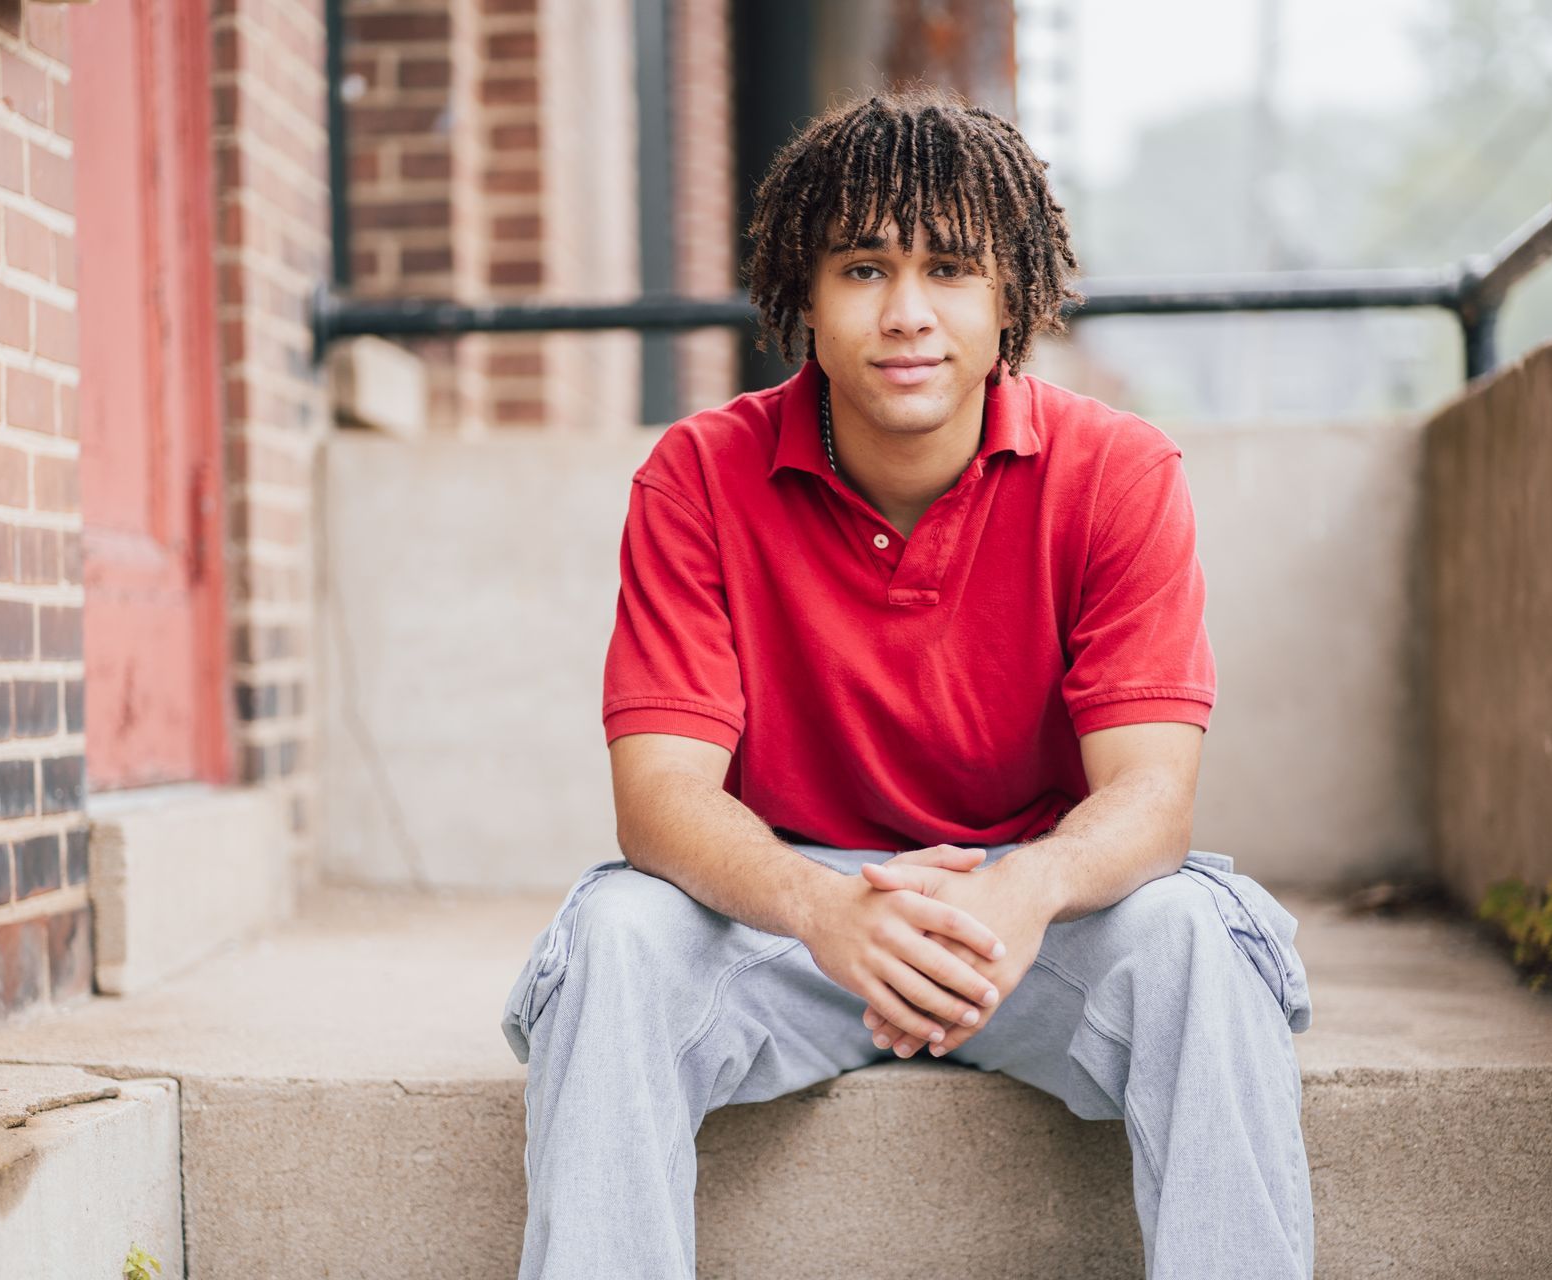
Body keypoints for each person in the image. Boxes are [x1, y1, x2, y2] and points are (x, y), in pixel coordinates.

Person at [500, 85, 1315, 1279]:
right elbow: (659, 798)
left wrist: (1019, 895)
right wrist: (828, 909)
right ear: (807, 300)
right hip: (787, 922)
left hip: (1038, 923)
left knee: (1196, 931)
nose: (908, 313)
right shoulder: (697, 476)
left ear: (1010, 301)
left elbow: (1151, 797)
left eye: (950, 269)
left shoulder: (1118, 472)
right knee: (619, 932)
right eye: (865, 269)